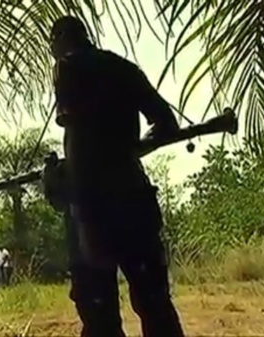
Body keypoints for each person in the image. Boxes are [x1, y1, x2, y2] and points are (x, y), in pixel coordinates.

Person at [49, 16, 185, 337]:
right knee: (155, 305)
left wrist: (58, 178)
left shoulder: (66, 67)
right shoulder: (124, 68)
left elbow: (77, 127)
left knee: (99, 315)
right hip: (135, 201)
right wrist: (126, 151)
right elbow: (166, 123)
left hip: (91, 212)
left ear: (58, 41)